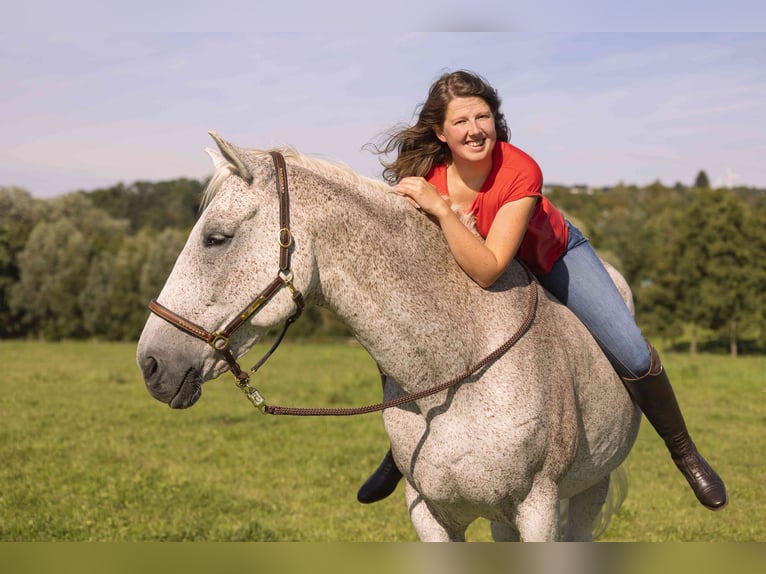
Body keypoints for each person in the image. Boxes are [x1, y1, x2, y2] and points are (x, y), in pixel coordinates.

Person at [357, 70, 727, 511]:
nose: (475, 129)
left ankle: (684, 453)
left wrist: (440, 209)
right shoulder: (424, 174)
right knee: (404, 334)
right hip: (468, 262)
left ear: (495, 119)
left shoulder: (519, 169)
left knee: (631, 348)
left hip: (552, 257)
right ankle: (399, 455)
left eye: (483, 116)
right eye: (461, 122)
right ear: (440, 131)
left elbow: (491, 267)